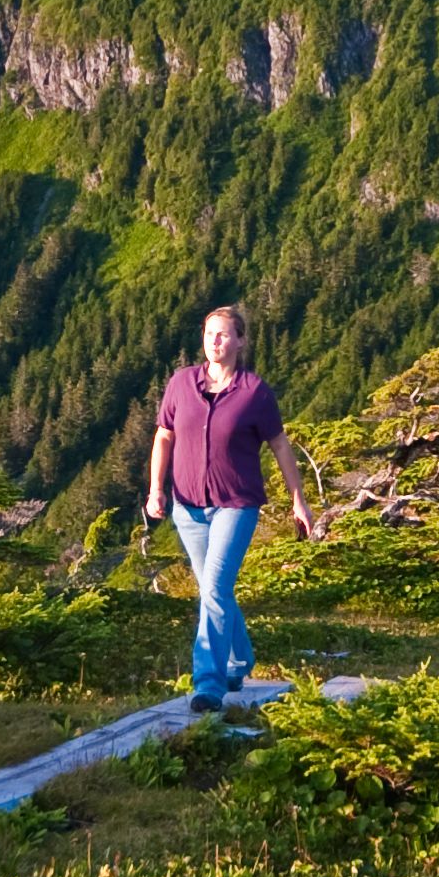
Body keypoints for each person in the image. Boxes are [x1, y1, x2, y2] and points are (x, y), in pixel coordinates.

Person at [142, 303, 324, 709]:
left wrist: (299, 500)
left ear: (240, 340)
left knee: (215, 587)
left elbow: (279, 445)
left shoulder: (254, 392)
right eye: (209, 334)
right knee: (213, 590)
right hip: (187, 507)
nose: (215, 341)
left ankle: (208, 684)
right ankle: (240, 659)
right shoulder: (181, 383)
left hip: (235, 505)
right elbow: (164, 436)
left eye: (223, 334)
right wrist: (156, 490)